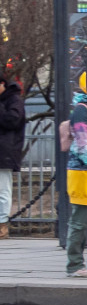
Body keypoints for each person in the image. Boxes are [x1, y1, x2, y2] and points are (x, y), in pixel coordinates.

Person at [59, 75, 87, 276]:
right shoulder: (83, 109)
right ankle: (74, 264)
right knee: (80, 220)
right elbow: (83, 144)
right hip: (82, 172)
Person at [0, 56, 24, 240]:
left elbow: (12, 121)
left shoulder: (13, 100)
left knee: (3, 191)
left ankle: (2, 225)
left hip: (4, 153)